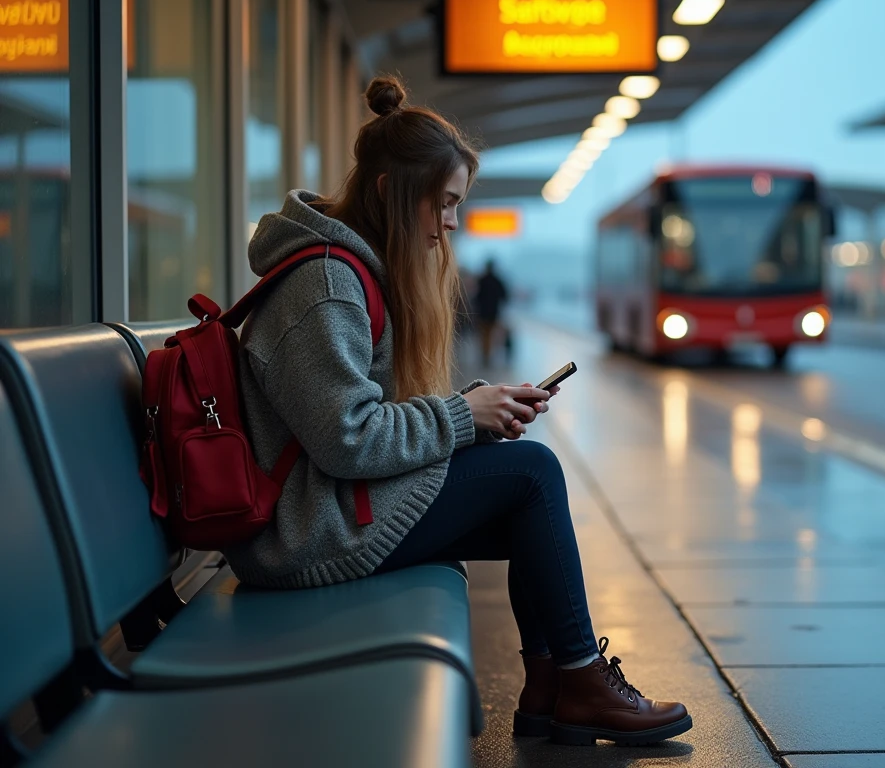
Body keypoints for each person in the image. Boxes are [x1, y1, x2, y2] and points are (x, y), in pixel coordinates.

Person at [228, 75, 691, 746]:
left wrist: (477, 408)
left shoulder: (346, 270)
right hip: (306, 535)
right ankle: (579, 681)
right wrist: (462, 416)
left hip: (331, 506)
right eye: (444, 204)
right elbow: (348, 438)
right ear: (390, 192)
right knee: (531, 475)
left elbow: (354, 421)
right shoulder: (326, 283)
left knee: (523, 489)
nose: (450, 225)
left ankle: (558, 685)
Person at [474, 259, 509, 367]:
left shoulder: (482, 280)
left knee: (484, 335)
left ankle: (485, 354)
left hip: (483, 312)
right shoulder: (497, 280)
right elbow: (504, 296)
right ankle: (488, 354)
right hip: (494, 312)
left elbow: (477, 296)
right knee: (490, 334)